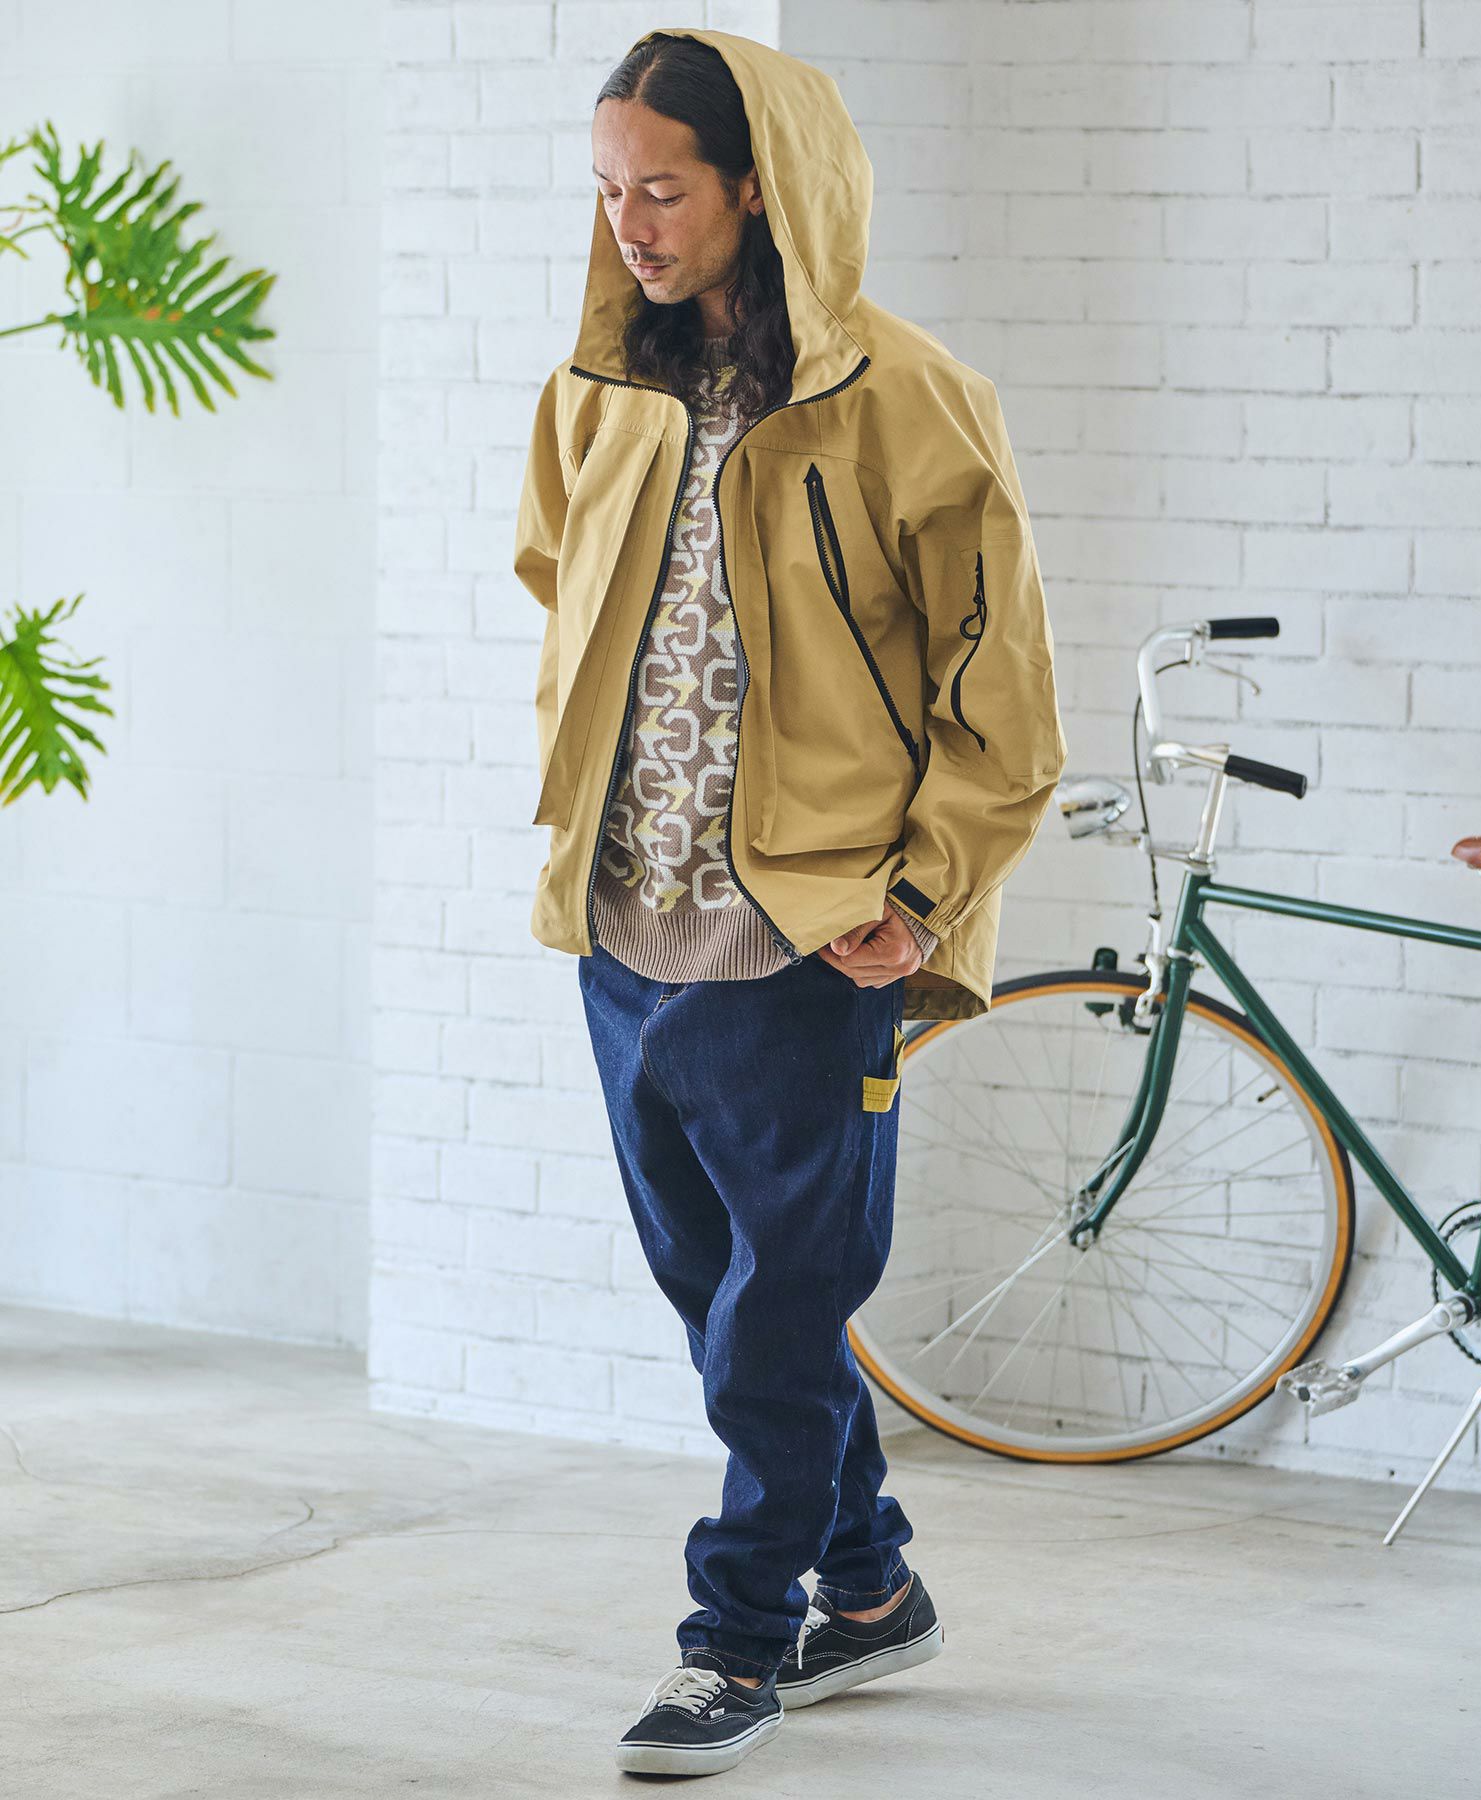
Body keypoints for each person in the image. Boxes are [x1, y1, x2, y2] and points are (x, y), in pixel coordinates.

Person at [513, 27, 1067, 1779]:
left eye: (664, 189)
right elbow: (553, 579)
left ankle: (735, 1642)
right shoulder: (599, 391)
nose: (630, 226)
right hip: (626, 920)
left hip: (811, 937)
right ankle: (872, 1587)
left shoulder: (910, 397)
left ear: (763, 189)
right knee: (725, 1298)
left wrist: (924, 887)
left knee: (779, 1307)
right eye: (609, 190)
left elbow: (1002, 691)